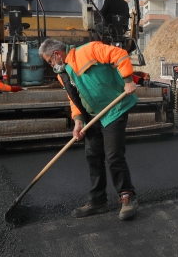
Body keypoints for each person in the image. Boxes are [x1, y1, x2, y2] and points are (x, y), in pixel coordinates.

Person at [38, 38, 139, 220]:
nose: (51, 65)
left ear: (56, 54)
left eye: (50, 61)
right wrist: (78, 121)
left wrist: (128, 80)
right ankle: (98, 201)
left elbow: (120, 54)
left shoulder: (90, 50)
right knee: (93, 157)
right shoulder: (63, 74)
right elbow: (74, 98)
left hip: (114, 110)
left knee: (114, 155)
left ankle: (127, 197)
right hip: (92, 116)